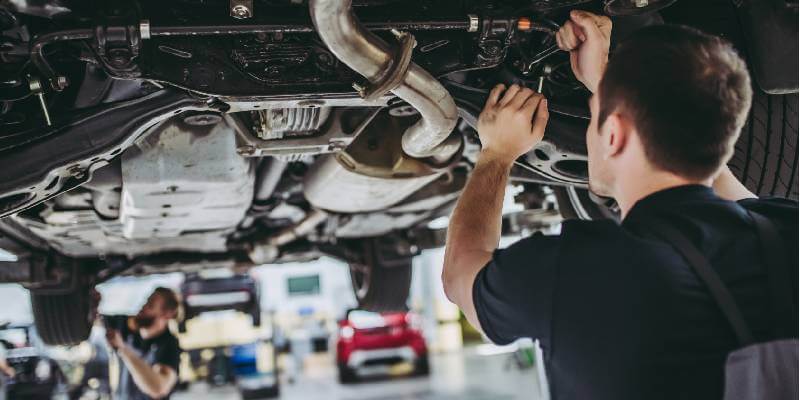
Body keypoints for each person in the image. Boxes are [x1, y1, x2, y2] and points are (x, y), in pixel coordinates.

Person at [441, 10, 798, 400]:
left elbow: (461, 278)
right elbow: (721, 180)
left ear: (613, 134)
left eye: (594, 119)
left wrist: (497, 153)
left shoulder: (573, 271)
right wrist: (607, 85)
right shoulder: (786, 235)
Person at [102, 287, 182, 400]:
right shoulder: (125, 325)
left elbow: (159, 389)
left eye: (151, 305)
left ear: (167, 314)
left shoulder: (169, 344)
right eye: (146, 302)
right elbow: (92, 319)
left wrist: (123, 350)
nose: (143, 307)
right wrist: (92, 303)